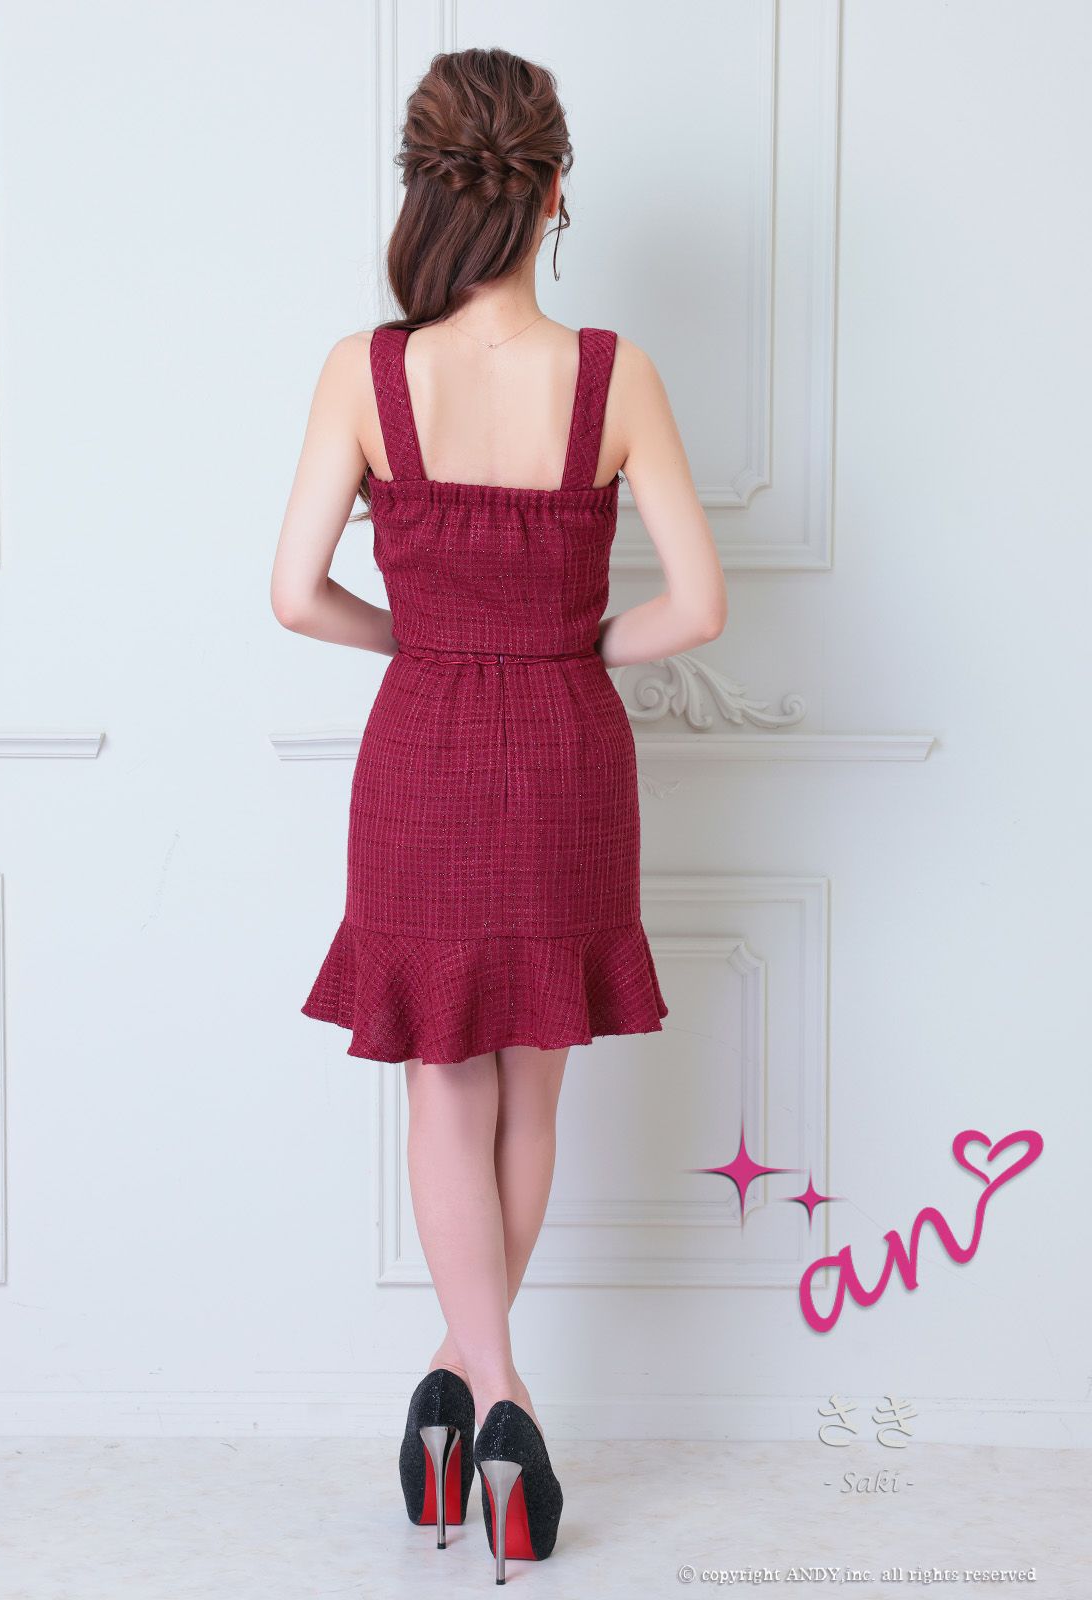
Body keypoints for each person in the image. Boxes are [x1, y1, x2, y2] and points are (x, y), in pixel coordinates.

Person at [270, 45, 726, 1584]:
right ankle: (491, 1396)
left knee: (440, 1090)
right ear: (554, 192)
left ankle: (479, 1392)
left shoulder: (364, 372)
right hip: (568, 746)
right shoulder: (614, 374)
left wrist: (424, 638)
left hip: (424, 748)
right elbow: (698, 608)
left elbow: (293, 596)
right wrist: (571, 642)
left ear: (427, 184)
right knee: (534, 1088)